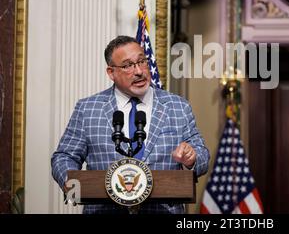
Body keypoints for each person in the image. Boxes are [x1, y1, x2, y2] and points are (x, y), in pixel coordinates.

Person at [51, 35, 210, 213]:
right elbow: (64, 156)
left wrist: (192, 158)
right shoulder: (88, 108)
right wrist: (70, 182)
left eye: (142, 61)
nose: (139, 71)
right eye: (127, 66)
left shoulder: (178, 106)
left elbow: (203, 156)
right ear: (111, 73)